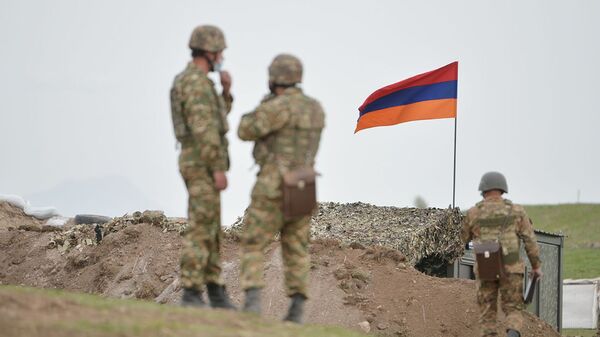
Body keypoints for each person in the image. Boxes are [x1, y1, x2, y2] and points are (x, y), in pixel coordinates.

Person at [237, 54, 325, 323]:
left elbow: (245, 129)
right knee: (297, 246)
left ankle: (252, 303)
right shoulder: (315, 108)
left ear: (275, 78)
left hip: (274, 181)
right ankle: (296, 309)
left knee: (254, 239)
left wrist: (264, 104)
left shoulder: (278, 107)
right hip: (304, 182)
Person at [170, 24, 234, 309]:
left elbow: (217, 119)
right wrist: (217, 168)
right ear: (208, 52)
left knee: (210, 227)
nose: (222, 55)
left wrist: (226, 92)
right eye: (219, 51)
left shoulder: (201, 82)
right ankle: (192, 292)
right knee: (201, 226)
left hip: (201, 159)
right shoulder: (194, 83)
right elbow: (204, 129)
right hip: (201, 162)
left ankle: (216, 291)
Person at [462, 172, 543, 337]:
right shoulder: (517, 211)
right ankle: (512, 333)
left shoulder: (473, 213)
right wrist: (536, 267)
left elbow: (462, 240)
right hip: (512, 268)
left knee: (487, 313)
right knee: (513, 310)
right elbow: (530, 242)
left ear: (483, 190)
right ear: (503, 189)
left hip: (486, 268)